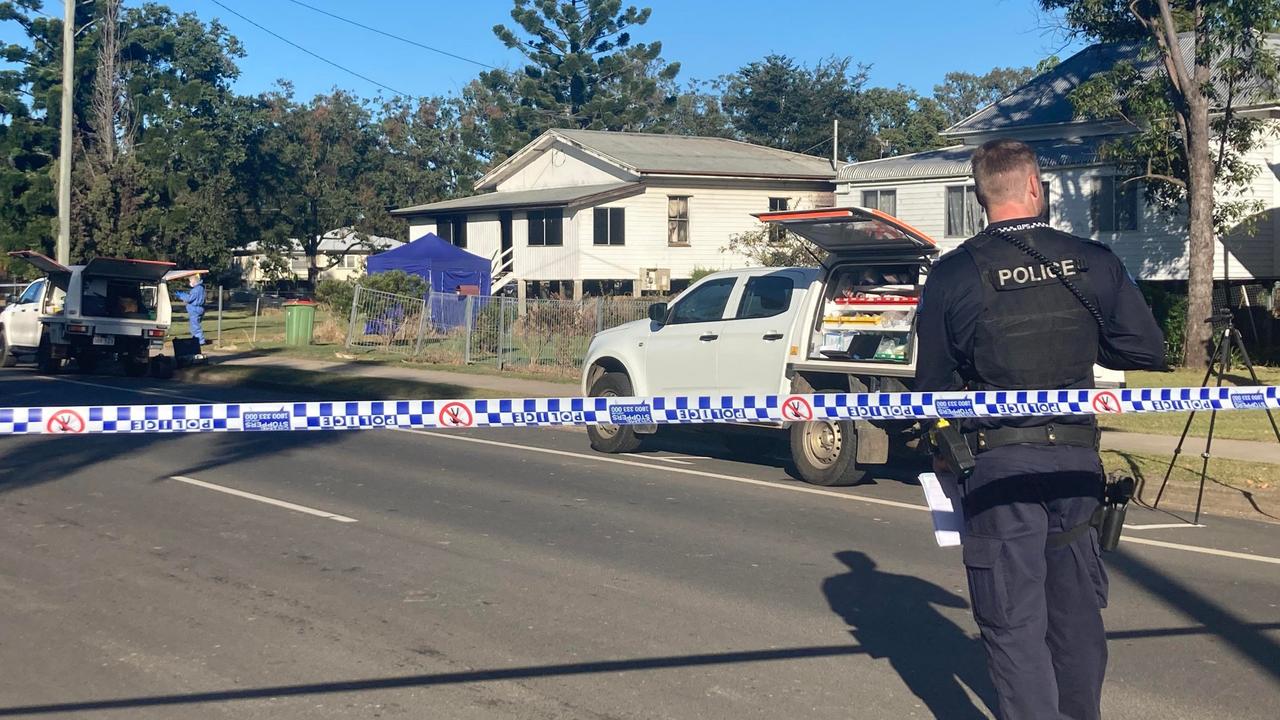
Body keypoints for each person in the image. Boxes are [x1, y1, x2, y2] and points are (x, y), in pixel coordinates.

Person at [915, 138, 1165, 720]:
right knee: (1077, 618)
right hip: (1076, 464)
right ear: (1035, 187)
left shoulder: (953, 275)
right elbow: (1144, 349)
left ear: (981, 197)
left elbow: (932, 385)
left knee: (1013, 624)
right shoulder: (1092, 260)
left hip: (998, 467)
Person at [174, 274, 207, 345]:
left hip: (195, 309)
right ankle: (196, 339)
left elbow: (189, 299)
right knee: (195, 325)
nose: (189, 283)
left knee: (195, 326)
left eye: (190, 281)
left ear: (194, 281)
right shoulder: (201, 288)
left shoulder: (196, 289)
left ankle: (200, 341)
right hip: (199, 309)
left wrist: (182, 295)